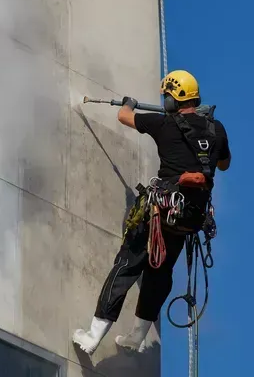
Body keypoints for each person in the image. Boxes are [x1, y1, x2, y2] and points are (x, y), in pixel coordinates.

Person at [72, 70, 231, 354]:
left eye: (165, 96)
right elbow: (224, 164)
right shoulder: (216, 129)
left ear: (173, 98)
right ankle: (136, 337)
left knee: (127, 266)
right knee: (159, 274)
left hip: (160, 212)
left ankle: (93, 336)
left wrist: (129, 102)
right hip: (186, 219)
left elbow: (123, 116)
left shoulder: (163, 125)